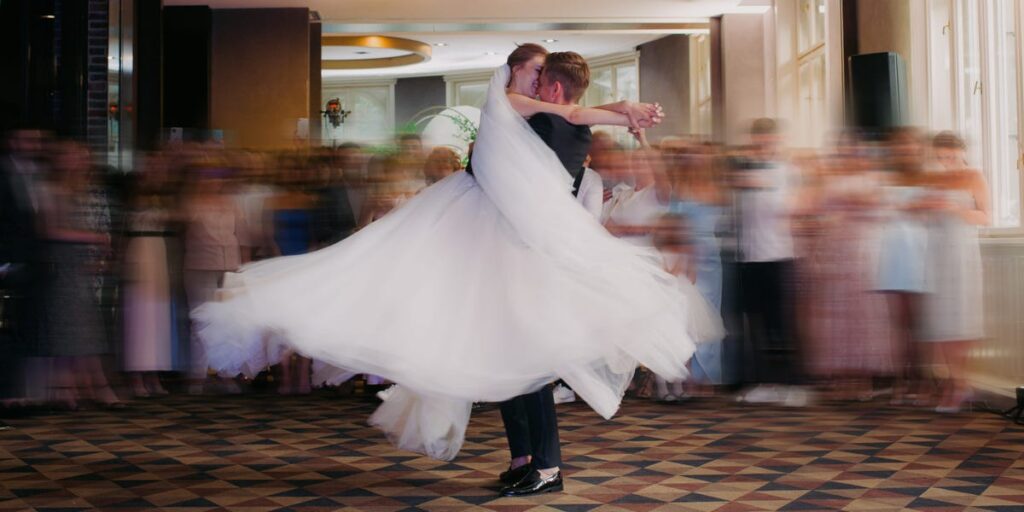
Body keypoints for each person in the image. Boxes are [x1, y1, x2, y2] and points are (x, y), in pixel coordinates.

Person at [192, 45, 712, 490]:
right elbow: (574, 115)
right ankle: (523, 460)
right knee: (506, 363)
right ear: (515, 75)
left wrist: (624, 115)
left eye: (539, 76)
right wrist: (624, 110)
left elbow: (575, 116)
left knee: (526, 365)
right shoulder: (510, 105)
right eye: (529, 72)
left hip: (520, 256)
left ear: (551, 85)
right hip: (490, 247)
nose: (533, 83)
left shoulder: (554, 120)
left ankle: (546, 466)